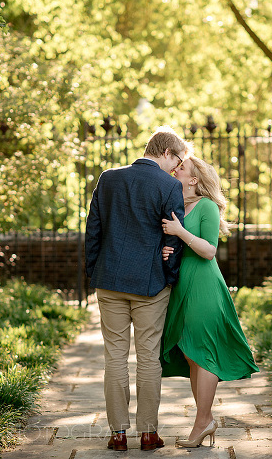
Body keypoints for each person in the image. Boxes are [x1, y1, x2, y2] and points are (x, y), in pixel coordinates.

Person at [85, 127, 189, 452]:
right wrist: (168, 277)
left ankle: (117, 434)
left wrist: (95, 272)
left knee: (114, 357)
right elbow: (174, 240)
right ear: (166, 152)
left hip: (110, 280)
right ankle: (148, 433)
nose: (177, 167)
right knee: (148, 358)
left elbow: (93, 231)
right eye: (178, 159)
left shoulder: (108, 178)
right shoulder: (170, 186)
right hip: (151, 285)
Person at [160, 155, 259, 448]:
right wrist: (169, 250)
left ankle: (203, 422)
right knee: (191, 352)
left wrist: (179, 232)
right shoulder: (181, 206)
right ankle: (205, 419)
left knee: (202, 351)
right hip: (183, 285)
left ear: (194, 180)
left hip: (204, 286)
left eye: (182, 169)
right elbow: (183, 246)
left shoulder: (206, 206)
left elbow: (208, 250)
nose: (176, 170)